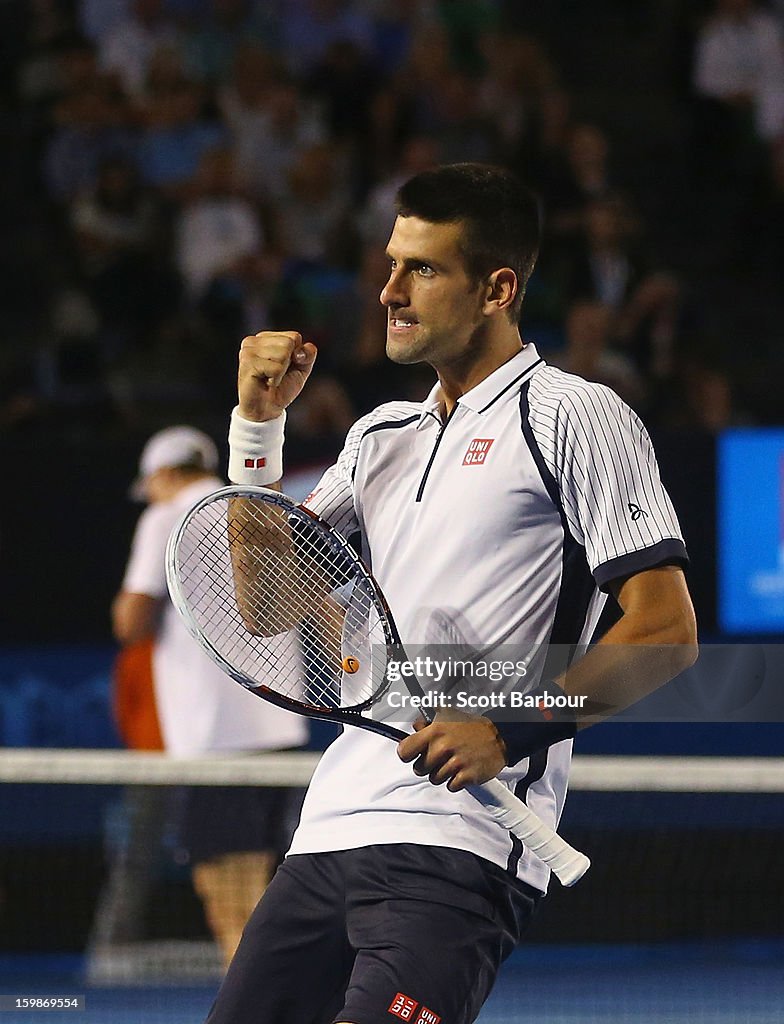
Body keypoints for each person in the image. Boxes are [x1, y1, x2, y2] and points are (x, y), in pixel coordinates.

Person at [209, 163, 698, 1023]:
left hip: (460, 847)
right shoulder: (377, 437)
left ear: (497, 288)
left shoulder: (576, 416)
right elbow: (266, 605)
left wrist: (508, 728)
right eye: (391, 264)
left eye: (423, 270)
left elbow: (664, 630)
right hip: (327, 834)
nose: (389, 291)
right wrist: (257, 430)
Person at [111, 425, 308, 969]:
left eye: (150, 484)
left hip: (216, 739)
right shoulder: (253, 506)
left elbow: (130, 620)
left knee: (227, 899)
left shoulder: (164, 517)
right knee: (258, 889)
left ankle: (256, 1007)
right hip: (279, 730)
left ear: (165, 475)